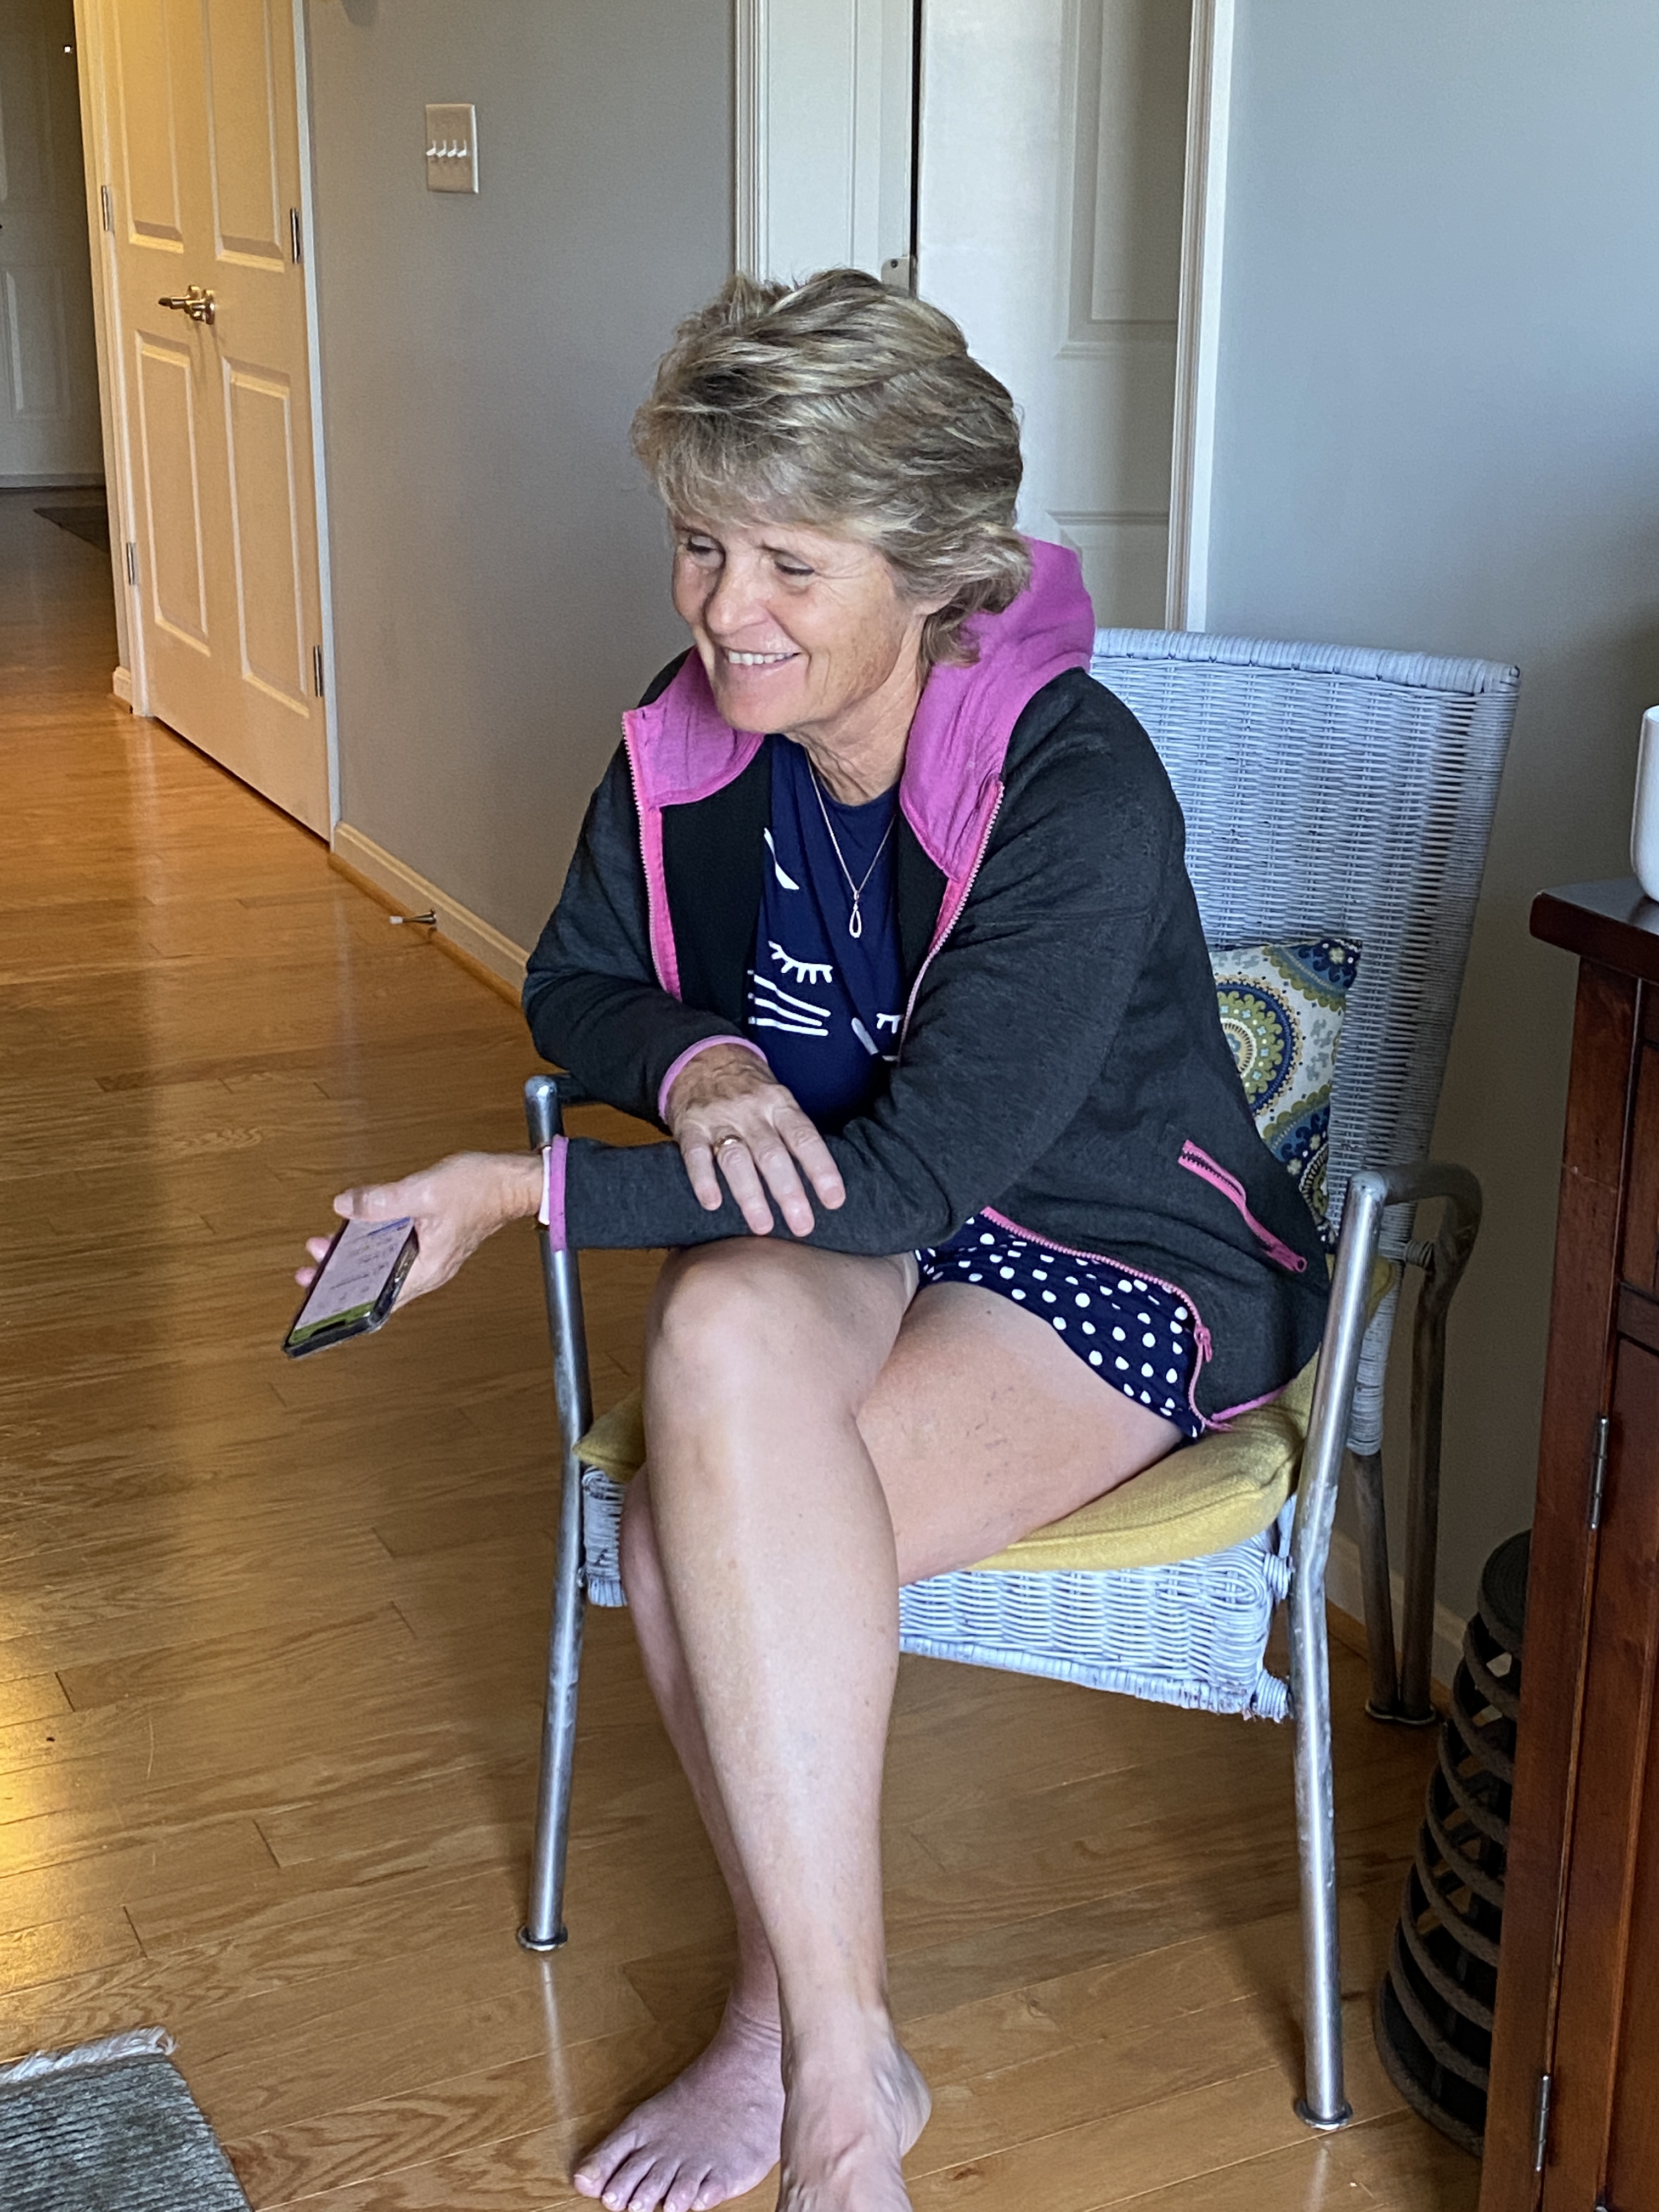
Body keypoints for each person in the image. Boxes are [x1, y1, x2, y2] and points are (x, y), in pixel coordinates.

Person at [298, 270, 1329, 2212]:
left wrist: (521, 1198)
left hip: (1100, 1249)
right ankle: (843, 2054)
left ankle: (807, 2052)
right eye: (703, 543)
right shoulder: (698, 743)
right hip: (860, 1209)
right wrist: (697, 1062)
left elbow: (917, 1182)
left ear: (935, 573)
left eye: (792, 561)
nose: (726, 611)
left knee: (688, 1535)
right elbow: (577, 979)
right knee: (715, 1355)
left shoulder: (1076, 785)